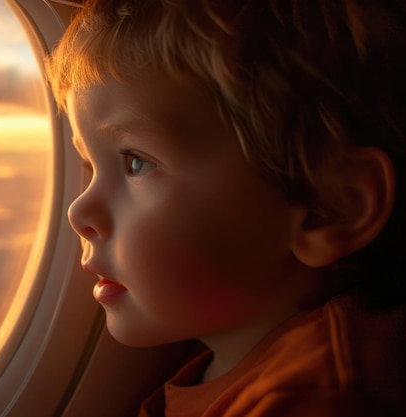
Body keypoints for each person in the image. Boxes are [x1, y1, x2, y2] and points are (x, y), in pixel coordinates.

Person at [45, 0, 406, 415]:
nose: (79, 212)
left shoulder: (314, 396)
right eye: (90, 165)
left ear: (330, 207)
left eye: (135, 162)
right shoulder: (226, 369)